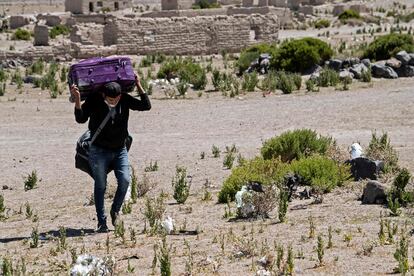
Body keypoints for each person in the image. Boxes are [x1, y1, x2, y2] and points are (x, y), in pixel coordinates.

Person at [70, 76, 151, 233]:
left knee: (125, 181)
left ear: (120, 96)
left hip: (120, 150)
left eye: (116, 99)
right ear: (103, 95)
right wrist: (78, 99)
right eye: (110, 99)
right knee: (101, 185)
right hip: (98, 151)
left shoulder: (124, 100)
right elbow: (80, 119)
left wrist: (139, 84)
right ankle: (102, 222)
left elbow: (145, 105)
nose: (113, 102)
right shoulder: (94, 100)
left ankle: (115, 211)